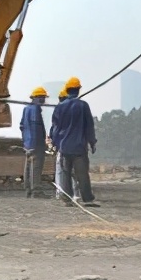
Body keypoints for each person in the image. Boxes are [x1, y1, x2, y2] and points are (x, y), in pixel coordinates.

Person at [50, 76, 98, 207]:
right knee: (82, 174)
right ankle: (87, 199)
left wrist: (55, 144)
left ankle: (67, 200)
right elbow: (89, 126)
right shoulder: (83, 106)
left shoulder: (59, 107)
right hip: (79, 147)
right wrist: (92, 142)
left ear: (67, 90)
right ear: (78, 90)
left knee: (65, 174)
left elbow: (55, 127)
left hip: (64, 147)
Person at [20, 86, 50, 198]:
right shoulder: (35, 109)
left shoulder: (26, 108)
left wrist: (26, 142)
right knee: (36, 167)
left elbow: (22, 126)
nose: (44, 101)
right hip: (35, 143)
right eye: (42, 98)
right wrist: (41, 144)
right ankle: (36, 191)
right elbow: (36, 127)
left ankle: (28, 190)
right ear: (38, 98)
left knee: (28, 167)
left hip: (28, 143)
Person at [50, 87, 72, 201]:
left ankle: (61, 193)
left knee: (60, 169)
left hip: (62, 144)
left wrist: (54, 142)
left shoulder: (59, 110)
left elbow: (55, 128)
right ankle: (74, 194)